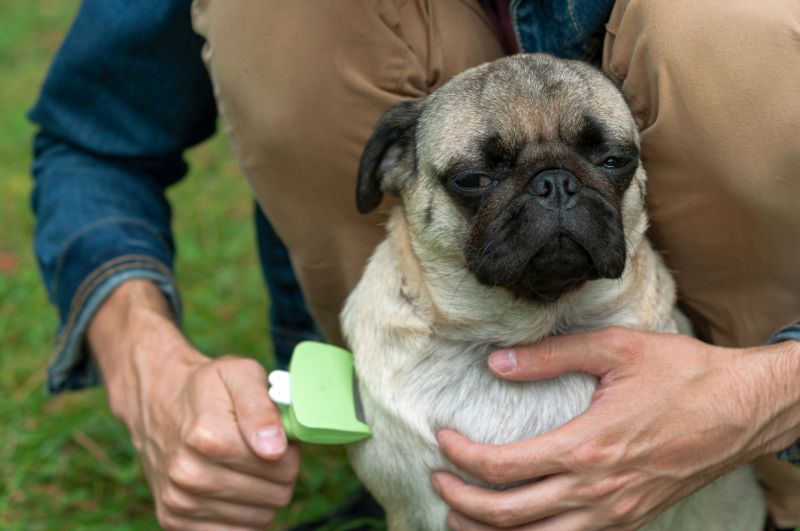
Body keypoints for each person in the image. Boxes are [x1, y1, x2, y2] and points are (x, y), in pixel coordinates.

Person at [30, 1, 799, 530]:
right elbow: (93, 136)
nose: (556, 196)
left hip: (751, 356)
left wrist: (771, 389)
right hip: (415, 333)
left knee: (735, 21)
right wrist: (150, 373)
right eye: (479, 180)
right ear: (391, 175)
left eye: (602, 162)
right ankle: (402, 467)